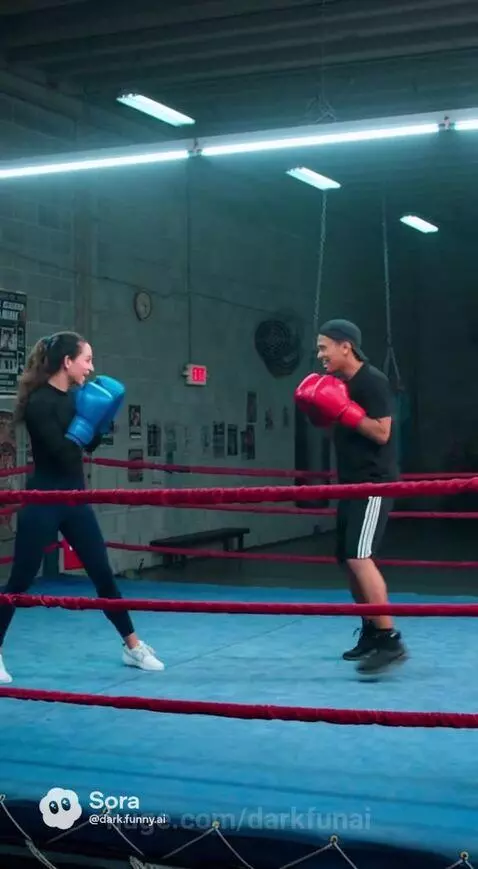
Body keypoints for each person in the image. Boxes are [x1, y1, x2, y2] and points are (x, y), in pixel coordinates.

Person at [0, 331, 164, 683]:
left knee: (102, 573)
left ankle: (132, 645)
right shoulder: (39, 403)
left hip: (74, 499)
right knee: (21, 578)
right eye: (86, 360)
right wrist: (89, 421)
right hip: (44, 499)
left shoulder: (78, 397)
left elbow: (87, 448)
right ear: (67, 362)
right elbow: (61, 453)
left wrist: (100, 421)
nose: (91, 368)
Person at [294, 319, 407, 675]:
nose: (320, 354)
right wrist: (324, 411)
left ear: (346, 346)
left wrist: (343, 410)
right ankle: (372, 631)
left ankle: (390, 638)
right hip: (351, 482)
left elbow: (381, 433)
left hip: (373, 483)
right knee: (347, 558)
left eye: (324, 346)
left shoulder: (372, 381)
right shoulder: (341, 383)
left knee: (360, 556)